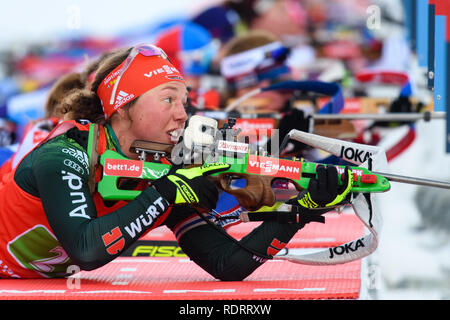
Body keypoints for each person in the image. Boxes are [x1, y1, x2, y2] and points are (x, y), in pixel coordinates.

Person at [0, 44, 352, 280]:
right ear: (123, 106)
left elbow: (227, 264)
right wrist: (168, 192)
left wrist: (301, 211)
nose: (183, 114)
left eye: (184, 101)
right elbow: (88, 249)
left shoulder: (166, 165)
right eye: (168, 100)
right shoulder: (66, 154)